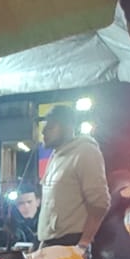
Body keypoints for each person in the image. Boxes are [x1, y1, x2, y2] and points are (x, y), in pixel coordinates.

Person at [36, 106, 110, 251]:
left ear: (68, 126)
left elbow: (100, 203)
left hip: (71, 243)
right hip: (50, 244)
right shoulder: (56, 155)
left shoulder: (85, 151)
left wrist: (83, 244)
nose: (44, 131)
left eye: (51, 126)